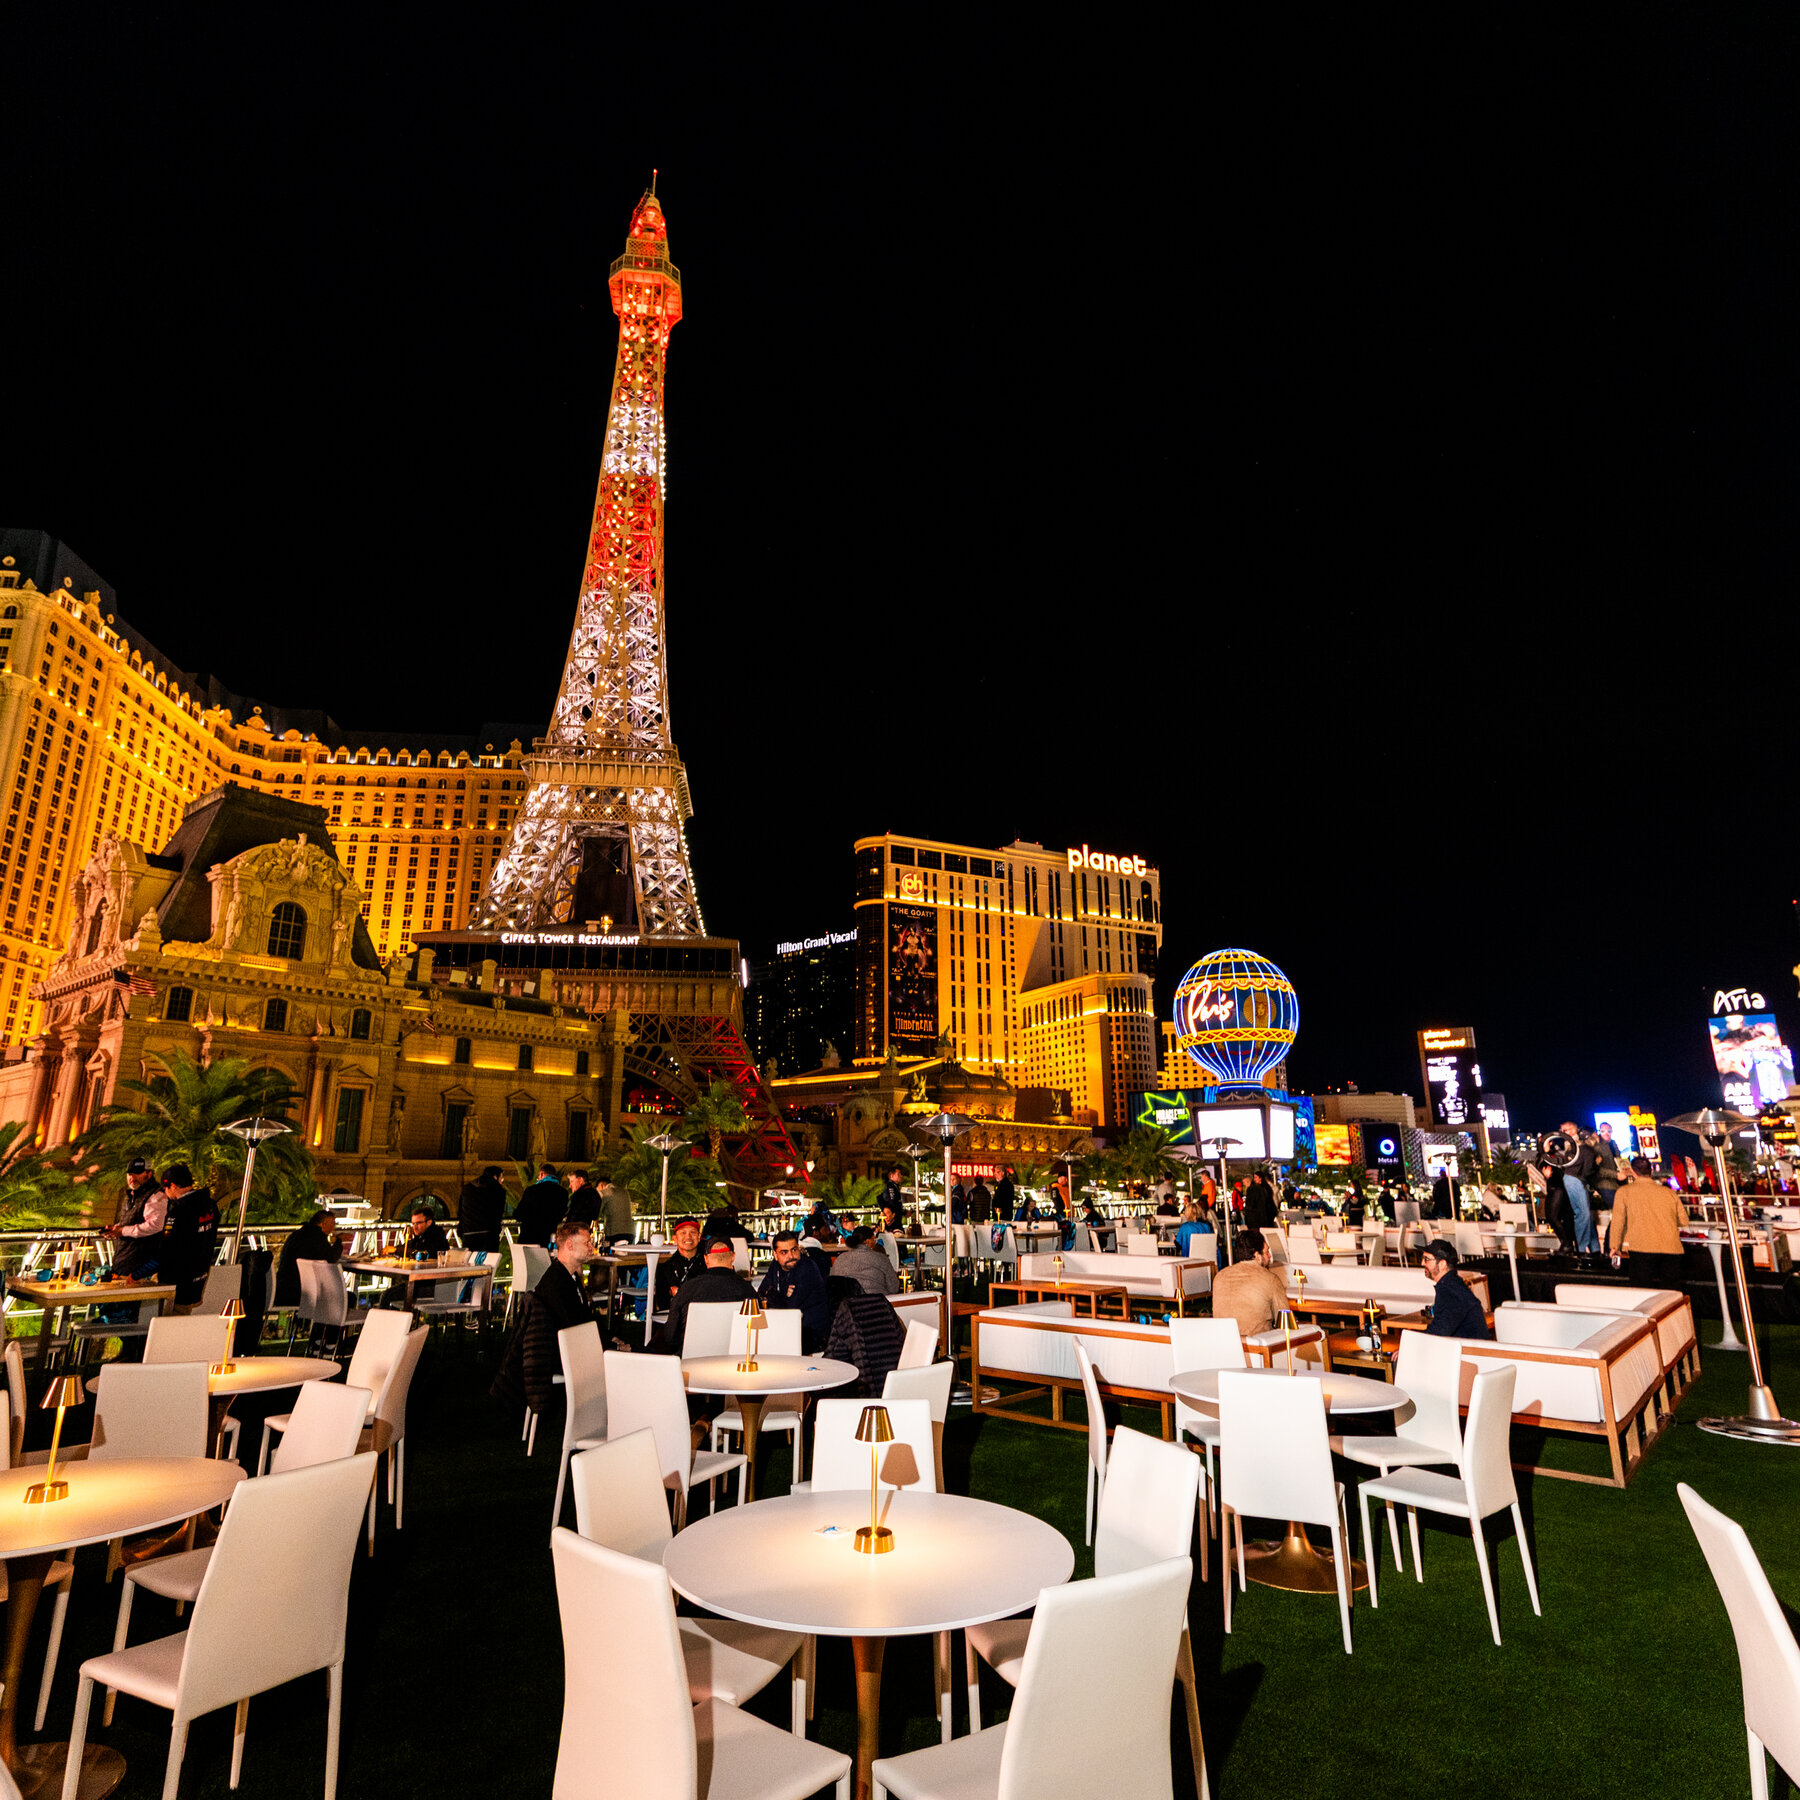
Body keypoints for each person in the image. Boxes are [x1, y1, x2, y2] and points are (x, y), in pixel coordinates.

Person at [490, 1220, 594, 1424]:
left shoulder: (565, 1277)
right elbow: (576, 1327)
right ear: (569, 1245)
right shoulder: (557, 1283)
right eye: (587, 1242)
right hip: (561, 1355)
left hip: (563, 1348)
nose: (592, 1247)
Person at [656, 1239, 754, 1353]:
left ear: (706, 1259)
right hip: (735, 1357)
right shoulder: (748, 1292)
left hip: (692, 1358)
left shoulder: (688, 1289)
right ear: (733, 1257)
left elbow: (670, 1337)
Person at [1607, 1157, 1691, 1289]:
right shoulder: (1669, 1193)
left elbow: (1618, 1221)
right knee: (1671, 1292)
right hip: (1671, 1248)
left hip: (1640, 1247)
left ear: (1633, 1172)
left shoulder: (1624, 1192)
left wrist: (1614, 1246)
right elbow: (1683, 1220)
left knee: (1643, 1290)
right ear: (1651, 1171)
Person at [1210, 1229, 1291, 1339]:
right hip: (1259, 1345)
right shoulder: (1270, 1279)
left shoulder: (1219, 1277)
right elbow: (1285, 1322)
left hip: (1225, 1343)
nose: (1269, 1256)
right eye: (1267, 1252)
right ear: (1257, 1255)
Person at [757, 1229, 830, 1350]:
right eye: (784, 1252)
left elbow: (790, 1308)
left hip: (811, 1335)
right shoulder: (775, 1265)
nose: (791, 1256)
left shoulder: (807, 1268)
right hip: (788, 1328)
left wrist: (774, 1295)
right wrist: (783, 1295)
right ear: (775, 1255)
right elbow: (761, 1293)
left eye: (794, 1250)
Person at [158, 1163, 220, 1307]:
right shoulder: (210, 1205)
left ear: (173, 1186)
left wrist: (139, 1273)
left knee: (172, 1318)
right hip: (199, 1277)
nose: (165, 1194)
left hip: (177, 1281)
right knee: (185, 1314)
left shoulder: (179, 1211)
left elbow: (166, 1248)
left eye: (165, 1189)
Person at [1419, 1240, 1492, 1338]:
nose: (1422, 1263)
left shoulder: (1451, 1291)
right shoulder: (1452, 1284)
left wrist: (1409, 1342)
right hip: (1465, 1345)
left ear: (1442, 1264)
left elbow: (1439, 1332)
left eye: (1426, 1259)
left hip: (1470, 1347)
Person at [275, 1207, 343, 1307]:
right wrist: (338, 1241)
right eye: (332, 1223)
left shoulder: (297, 1234)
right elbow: (331, 1258)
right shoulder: (317, 1237)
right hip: (300, 1292)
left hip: (282, 1288)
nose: (334, 1227)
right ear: (323, 1224)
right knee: (347, 1298)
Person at [1560, 1122, 1602, 1253]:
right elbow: (1588, 1170)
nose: (1566, 1133)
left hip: (1576, 1180)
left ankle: (1594, 1248)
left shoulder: (1578, 1147)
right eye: (1564, 1131)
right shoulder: (1582, 1148)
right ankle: (1581, 1247)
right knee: (1583, 1214)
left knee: (1585, 1215)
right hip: (1576, 1180)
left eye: (1568, 1130)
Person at [834, 1225, 900, 1295]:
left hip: (846, 1300)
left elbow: (833, 1285)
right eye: (873, 1239)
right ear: (868, 1241)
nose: (875, 1242)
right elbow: (894, 1288)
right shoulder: (881, 1259)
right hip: (875, 1300)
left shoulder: (839, 1259)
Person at [458, 1163, 508, 1252]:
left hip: (468, 1234)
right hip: (488, 1236)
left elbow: (460, 1211)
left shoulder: (467, 1188)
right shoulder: (498, 1190)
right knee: (488, 1260)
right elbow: (498, 1213)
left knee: (469, 1260)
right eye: (501, 1178)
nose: (501, 1181)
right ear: (495, 1177)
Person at [514, 1165, 567, 1245]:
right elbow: (561, 1215)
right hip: (548, 1237)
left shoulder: (531, 1190)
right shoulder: (563, 1192)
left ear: (541, 1174)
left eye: (538, 1176)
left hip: (529, 1235)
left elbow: (519, 1213)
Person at [596, 1180, 634, 1244]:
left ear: (601, 1185)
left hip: (614, 1232)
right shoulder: (625, 1192)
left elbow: (597, 1211)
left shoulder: (606, 1192)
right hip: (630, 1232)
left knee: (612, 1250)